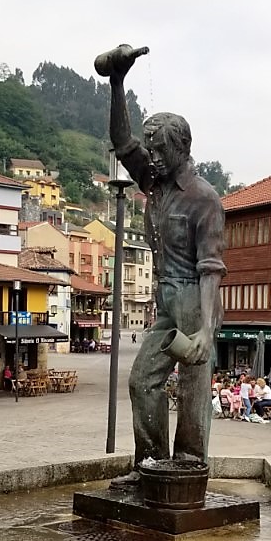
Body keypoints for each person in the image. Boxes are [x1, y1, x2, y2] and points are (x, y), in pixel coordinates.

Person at [103, 46, 227, 487]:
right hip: (165, 300)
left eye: (157, 151)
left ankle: (191, 465)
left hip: (196, 298)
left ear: (181, 149)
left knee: (194, 387)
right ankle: (151, 463)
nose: (149, 158)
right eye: (150, 150)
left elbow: (212, 266)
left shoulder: (204, 198)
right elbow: (122, 141)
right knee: (142, 382)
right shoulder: (153, 181)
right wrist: (117, 82)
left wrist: (207, 330)